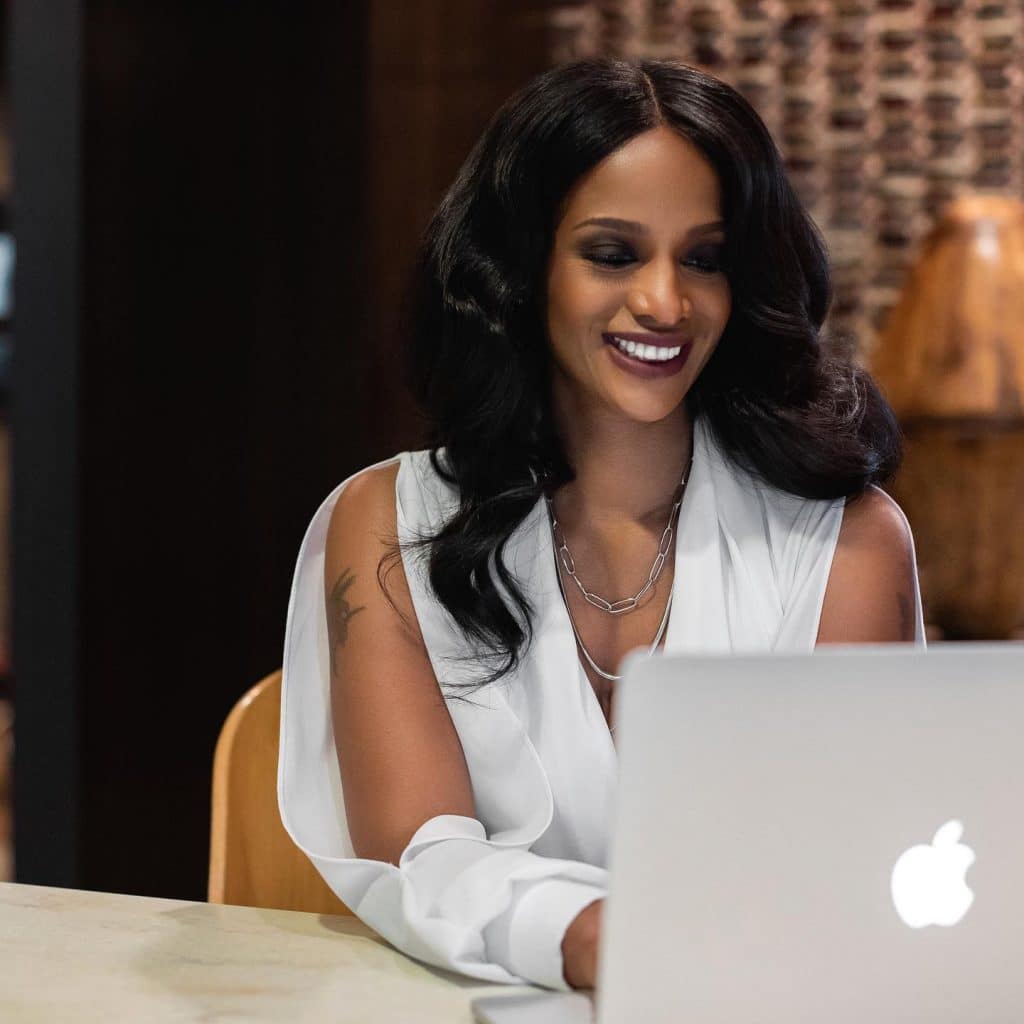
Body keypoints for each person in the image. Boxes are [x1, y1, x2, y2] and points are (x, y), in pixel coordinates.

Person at [277, 56, 925, 993]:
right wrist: (591, 939)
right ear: (519, 267)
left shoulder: (848, 542)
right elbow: (419, 858)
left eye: (704, 258)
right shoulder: (385, 526)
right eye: (613, 253)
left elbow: (837, 882)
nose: (666, 301)